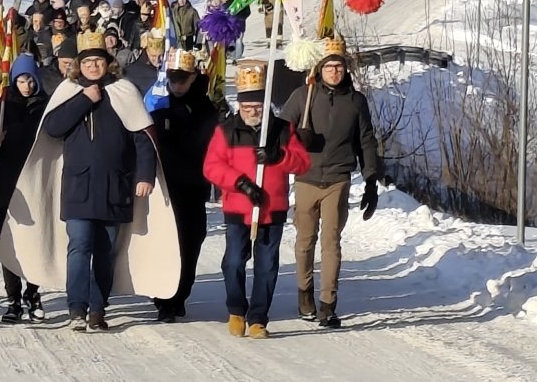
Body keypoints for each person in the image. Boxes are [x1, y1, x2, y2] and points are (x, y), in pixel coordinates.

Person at [0, 30, 180, 332]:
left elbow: (143, 137)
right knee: (79, 246)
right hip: (78, 187)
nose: (93, 66)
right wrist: (84, 99)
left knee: (105, 251)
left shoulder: (124, 91)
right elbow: (53, 128)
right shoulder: (69, 91)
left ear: (108, 63)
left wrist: (146, 175)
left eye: (98, 61)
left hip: (114, 187)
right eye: (87, 62)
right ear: (78, 65)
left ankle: (98, 307)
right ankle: (77, 308)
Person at [279, 37, 382, 328]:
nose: (334, 72)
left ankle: (328, 303)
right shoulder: (303, 96)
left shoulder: (356, 101)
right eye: (329, 66)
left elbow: (366, 140)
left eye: (339, 66)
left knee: (331, 242)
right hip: (306, 177)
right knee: (304, 241)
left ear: (345, 69)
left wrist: (371, 178)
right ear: (320, 69)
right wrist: (297, 138)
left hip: (338, 178)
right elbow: (282, 131)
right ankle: (304, 294)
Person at [202, 62, 310, 338]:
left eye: (258, 107)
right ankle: (236, 309)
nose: (252, 112)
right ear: (239, 105)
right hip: (238, 206)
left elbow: (302, 162)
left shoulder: (282, 129)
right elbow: (211, 166)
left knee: (267, 264)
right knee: (234, 262)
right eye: (247, 107)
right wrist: (241, 183)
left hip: (271, 207)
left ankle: (258, 317)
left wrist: (279, 157)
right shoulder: (226, 130)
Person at [150, 48, 218, 322]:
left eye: (182, 79)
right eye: (173, 79)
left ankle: (180, 295)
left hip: (193, 188)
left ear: (192, 78)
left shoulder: (207, 110)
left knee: (190, 243)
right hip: (167, 189)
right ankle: (165, 298)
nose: (177, 84)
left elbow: (203, 143)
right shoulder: (161, 107)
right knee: (167, 245)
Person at [0, 54, 49, 323]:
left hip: (36, 182)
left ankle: (33, 293)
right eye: (21, 79)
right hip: (8, 185)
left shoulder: (46, 107)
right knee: (10, 243)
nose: (27, 85)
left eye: (30, 79)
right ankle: (13, 299)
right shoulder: (0, 109)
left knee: (35, 242)